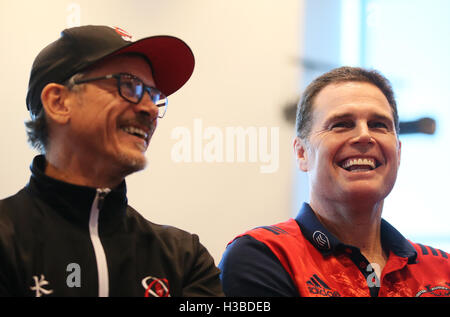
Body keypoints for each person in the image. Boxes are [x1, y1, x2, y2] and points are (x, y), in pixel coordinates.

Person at [0, 25, 223, 297]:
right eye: (128, 85)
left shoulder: (185, 259)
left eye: (153, 95)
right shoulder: (6, 238)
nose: (150, 108)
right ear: (58, 102)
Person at [219, 66, 450, 297]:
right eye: (341, 124)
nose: (364, 136)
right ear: (302, 153)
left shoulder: (442, 270)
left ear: (398, 152)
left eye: (379, 125)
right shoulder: (264, 255)